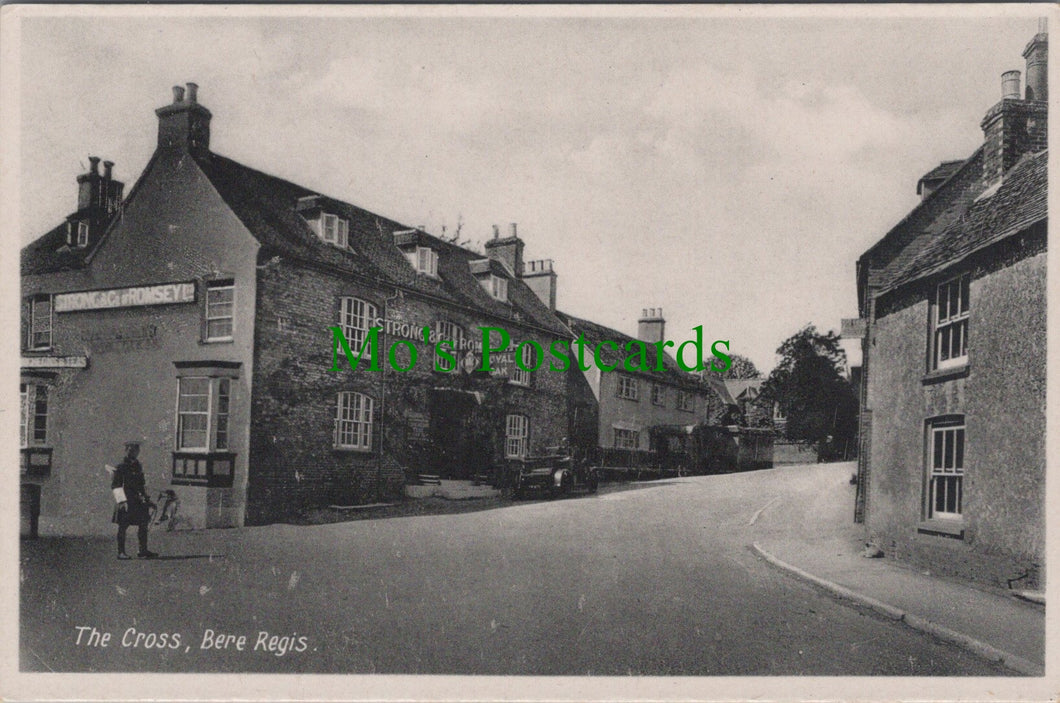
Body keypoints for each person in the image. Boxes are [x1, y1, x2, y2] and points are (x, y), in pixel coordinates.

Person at [111, 442, 158, 560]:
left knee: (143, 524)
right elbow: (116, 486)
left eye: (136, 450)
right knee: (123, 526)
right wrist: (122, 502)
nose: (134, 452)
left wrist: (147, 499)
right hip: (126, 501)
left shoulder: (138, 466)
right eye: (131, 449)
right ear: (126, 450)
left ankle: (143, 550)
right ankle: (121, 552)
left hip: (138, 501)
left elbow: (141, 485)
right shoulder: (121, 467)